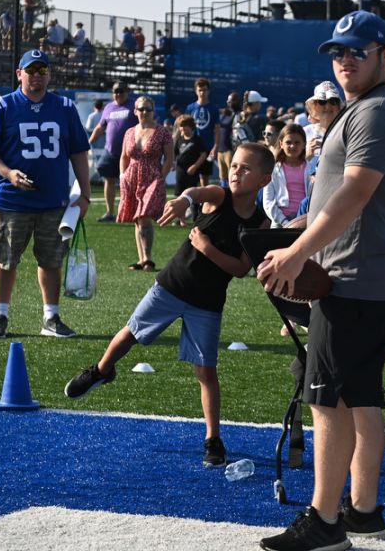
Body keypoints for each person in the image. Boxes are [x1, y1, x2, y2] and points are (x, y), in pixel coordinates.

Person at [258, 10, 385, 549]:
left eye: (357, 51)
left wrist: (297, 252)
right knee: (361, 400)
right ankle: (364, 512)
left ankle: (325, 523)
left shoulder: (373, 113)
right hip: (367, 278)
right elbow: (342, 195)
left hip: (351, 281)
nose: (345, 61)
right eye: (337, 53)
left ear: (384, 54)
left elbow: (355, 193)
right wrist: (297, 229)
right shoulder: (369, 108)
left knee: (324, 401)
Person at [64, 143, 275, 468]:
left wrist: (205, 247)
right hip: (173, 285)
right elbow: (195, 191)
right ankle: (101, 371)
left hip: (207, 300)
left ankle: (213, 438)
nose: (236, 171)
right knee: (131, 333)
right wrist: (183, 200)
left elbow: (240, 268)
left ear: (264, 180)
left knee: (206, 371)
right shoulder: (221, 197)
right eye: (234, 165)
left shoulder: (261, 222)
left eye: (246, 168)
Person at [0, 50, 92, 340]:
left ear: (49, 74)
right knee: (5, 259)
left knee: (52, 260)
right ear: (19, 74)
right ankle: (0, 315)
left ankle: (51, 318)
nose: (37, 74)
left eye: (42, 70)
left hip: (53, 200)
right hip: (11, 201)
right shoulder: (2, 106)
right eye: (31, 69)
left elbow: (78, 150)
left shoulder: (64, 107)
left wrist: (86, 193)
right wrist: (9, 173)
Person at [118, 96, 174, 270]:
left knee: (144, 217)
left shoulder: (163, 132)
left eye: (148, 109)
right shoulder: (129, 132)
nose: (144, 112)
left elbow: (169, 158)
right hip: (132, 177)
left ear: (153, 111)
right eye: (141, 109)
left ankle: (148, 259)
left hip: (152, 177)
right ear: (135, 111)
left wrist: (161, 177)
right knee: (137, 218)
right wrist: (122, 175)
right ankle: (141, 259)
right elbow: (124, 157)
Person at [88, 82, 137, 222]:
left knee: (129, 183)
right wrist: (88, 143)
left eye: (121, 91)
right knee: (108, 180)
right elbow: (99, 127)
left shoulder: (134, 105)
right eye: (115, 91)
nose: (118, 94)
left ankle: (130, 212)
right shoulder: (109, 107)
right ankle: (110, 213)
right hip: (110, 151)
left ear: (127, 91)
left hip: (129, 153)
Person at [262, 123, 311, 228]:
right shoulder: (273, 169)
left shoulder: (311, 168)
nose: (292, 146)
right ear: (281, 144)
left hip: (305, 220)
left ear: (304, 144)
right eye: (288, 142)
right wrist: (284, 222)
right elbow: (268, 202)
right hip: (280, 222)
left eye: (297, 142)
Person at [172, 115, 210, 220]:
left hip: (192, 173)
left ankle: (195, 218)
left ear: (191, 127)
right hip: (180, 172)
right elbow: (174, 154)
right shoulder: (179, 140)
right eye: (181, 126)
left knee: (193, 196)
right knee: (180, 196)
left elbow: (203, 155)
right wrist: (173, 163)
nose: (183, 129)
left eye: (185, 126)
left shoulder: (197, 140)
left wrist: (195, 166)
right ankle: (181, 219)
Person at [185, 78, 219, 185]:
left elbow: (217, 129)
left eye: (204, 90)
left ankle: (204, 201)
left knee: (205, 179)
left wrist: (216, 146)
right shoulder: (190, 108)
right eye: (200, 90)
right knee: (190, 176)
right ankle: (191, 201)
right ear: (196, 91)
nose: (202, 93)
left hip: (208, 147)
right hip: (192, 147)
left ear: (208, 91)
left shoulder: (213, 109)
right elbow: (185, 127)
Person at [304, 81, 343, 159]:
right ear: (314, 106)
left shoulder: (347, 132)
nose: (328, 106)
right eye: (322, 101)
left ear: (339, 107)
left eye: (333, 101)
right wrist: (306, 156)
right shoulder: (304, 132)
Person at [216, 92, 239, 186]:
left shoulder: (238, 114)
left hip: (230, 149)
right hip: (220, 149)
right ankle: (225, 196)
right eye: (228, 100)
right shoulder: (225, 113)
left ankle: (233, 196)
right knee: (222, 177)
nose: (228, 102)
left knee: (232, 174)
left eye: (231, 100)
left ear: (236, 101)